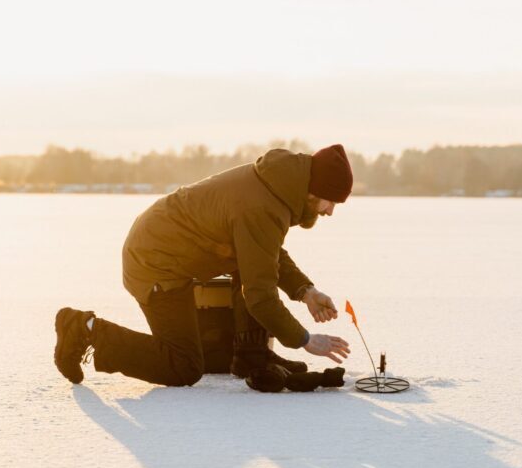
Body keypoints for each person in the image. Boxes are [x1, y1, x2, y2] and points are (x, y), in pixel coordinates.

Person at [54, 144, 353, 387]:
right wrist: (304, 340)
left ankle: (252, 356)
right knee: (182, 366)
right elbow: (260, 296)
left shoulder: (276, 187)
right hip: (156, 261)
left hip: (168, 246)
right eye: (331, 202)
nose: (329, 212)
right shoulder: (262, 206)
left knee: (249, 267)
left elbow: (263, 252)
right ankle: (84, 329)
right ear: (315, 190)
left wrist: (306, 291)